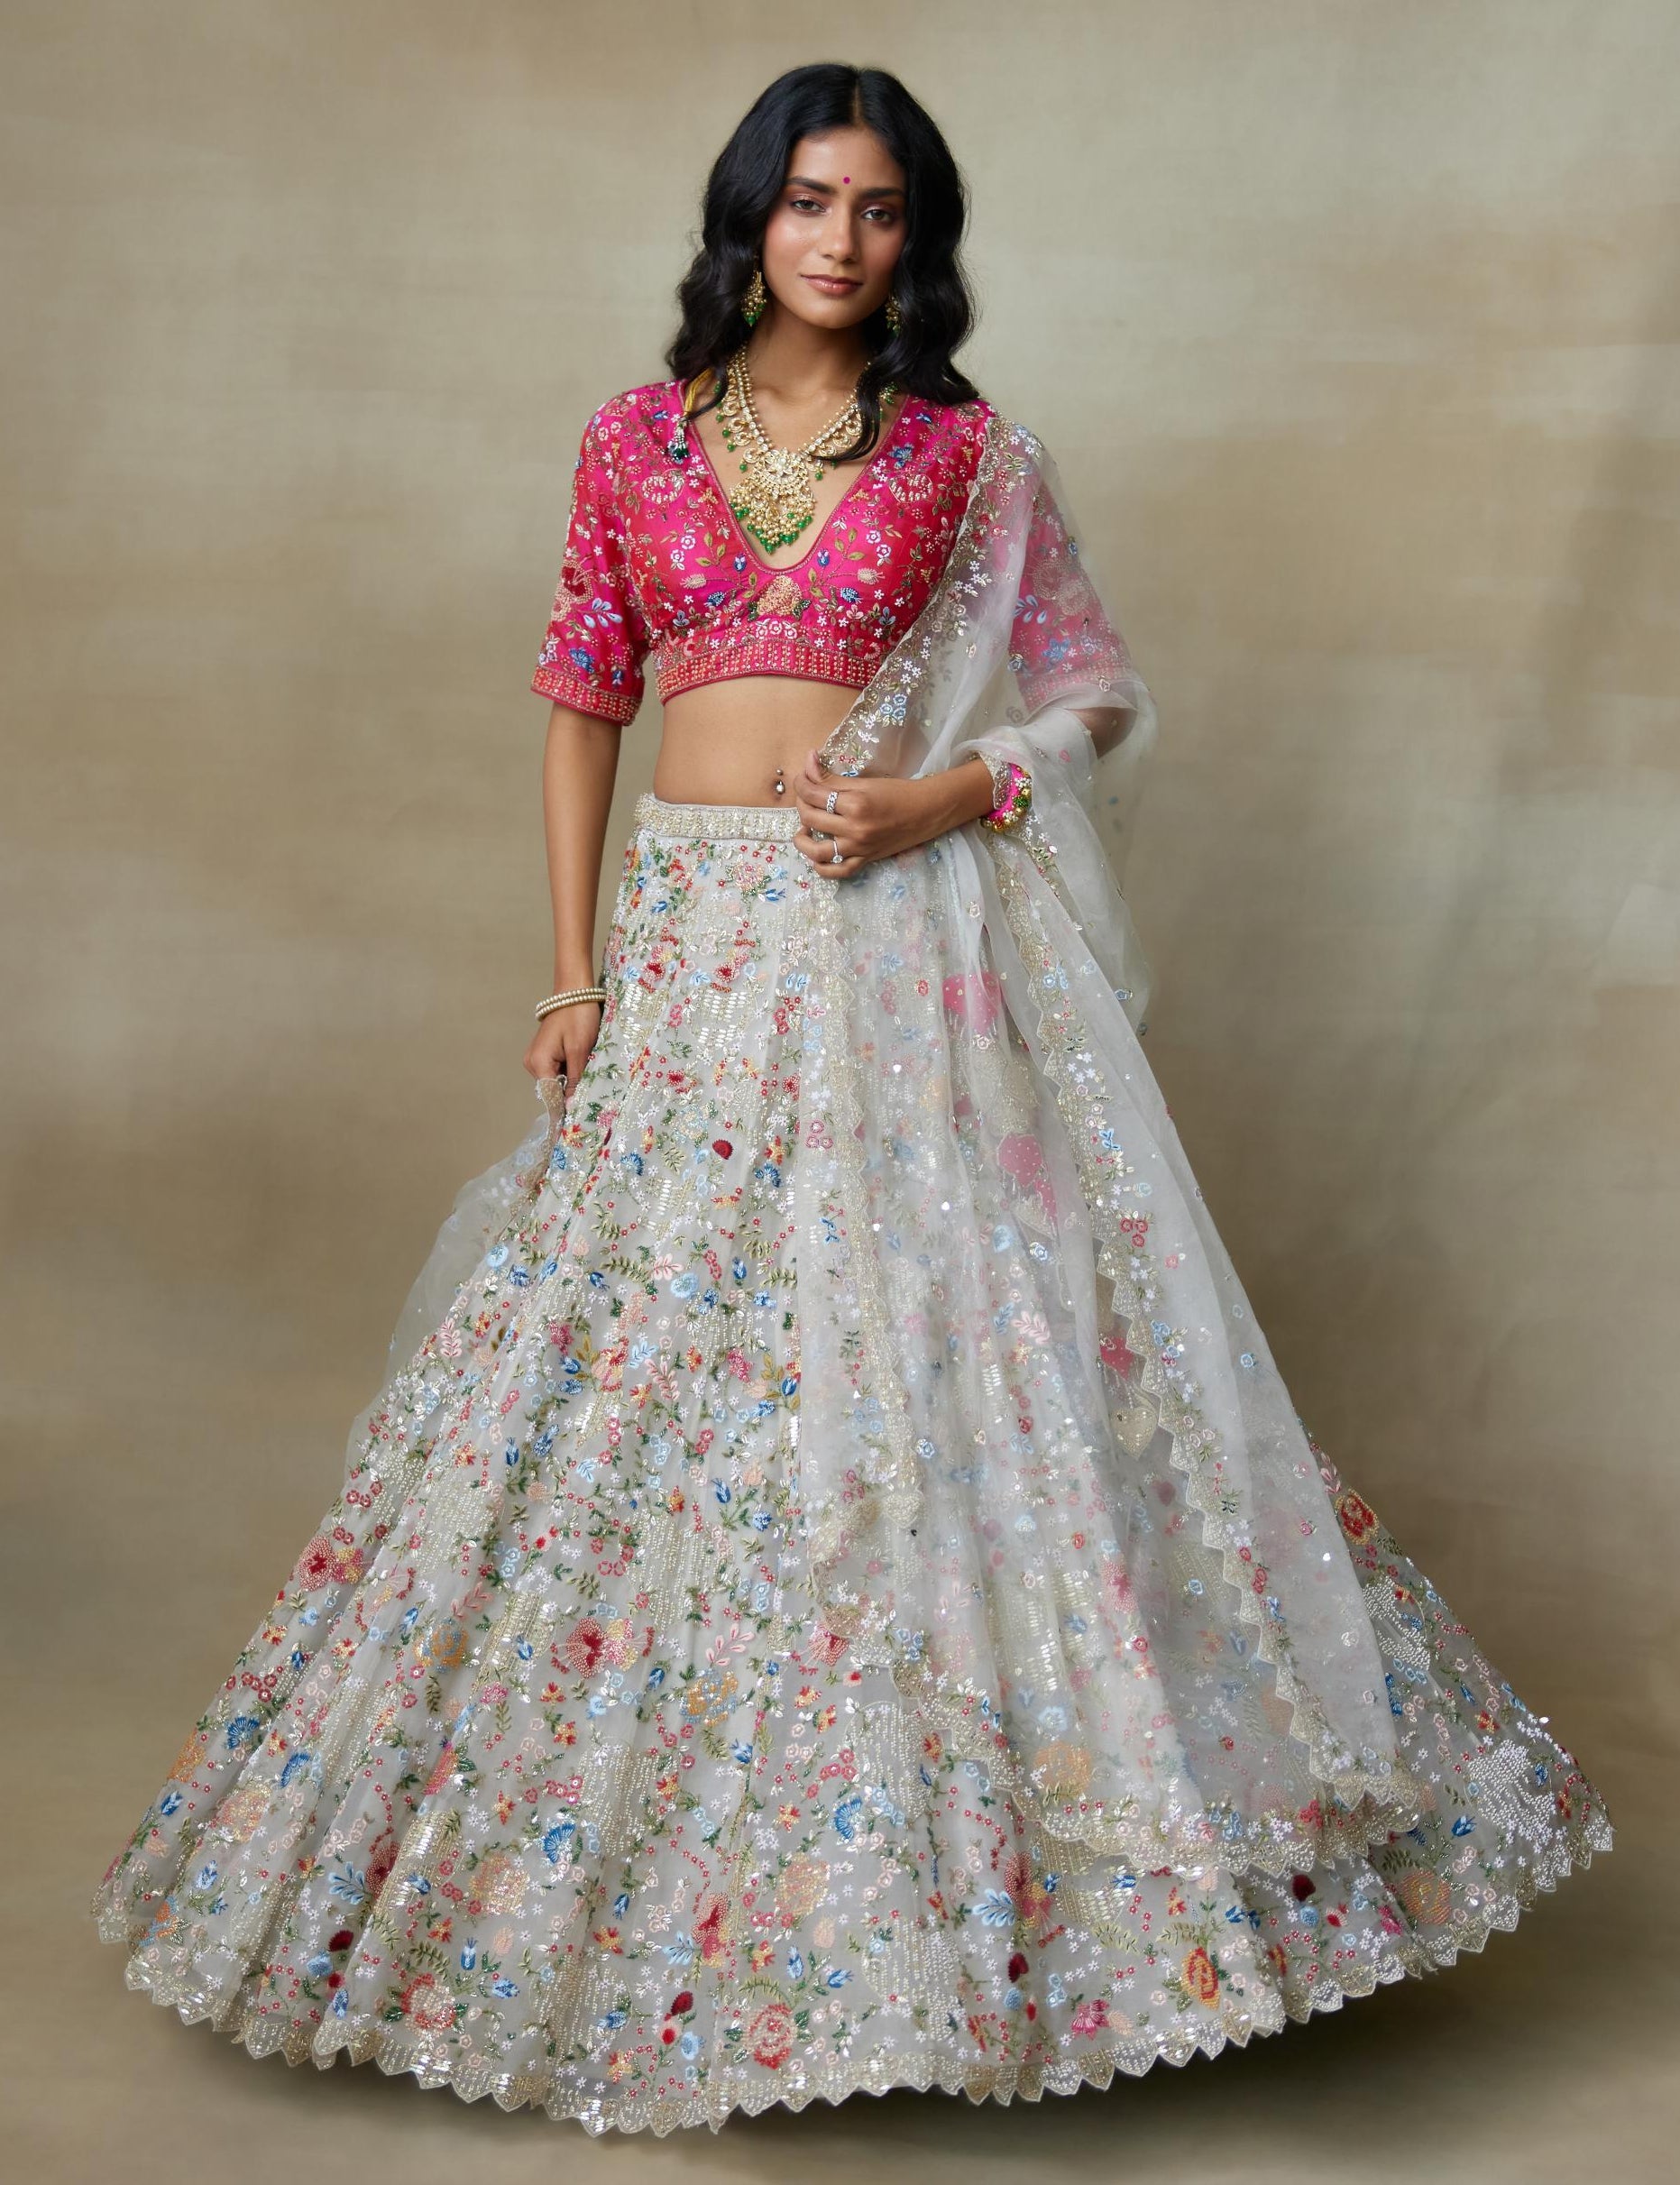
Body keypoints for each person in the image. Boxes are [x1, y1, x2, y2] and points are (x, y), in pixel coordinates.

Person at [91, 62, 1611, 2138]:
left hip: (898, 951)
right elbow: (580, 698)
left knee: (941, 1370)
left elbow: (1094, 694)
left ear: (918, 238)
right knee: (657, 1386)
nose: (839, 239)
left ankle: (973, 1916)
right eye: (807, 199)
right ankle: (643, 1898)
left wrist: (943, 794)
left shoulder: (969, 459)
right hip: (692, 952)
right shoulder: (632, 442)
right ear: (749, 216)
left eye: (879, 208)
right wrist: (572, 968)